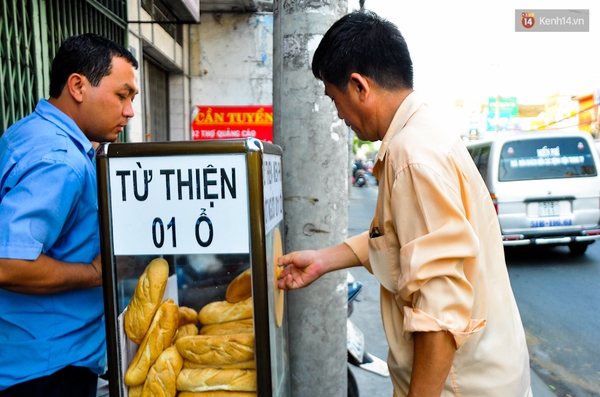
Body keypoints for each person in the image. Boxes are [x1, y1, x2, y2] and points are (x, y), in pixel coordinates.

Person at [277, 11, 532, 397]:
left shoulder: (410, 156)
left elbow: (439, 312)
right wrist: (324, 260)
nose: (339, 115)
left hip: (461, 386)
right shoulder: (424, 130)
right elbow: (399, 238)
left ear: (359, 86)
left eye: (335, 99)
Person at [0, 34, 138, 396]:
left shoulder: (27, 132)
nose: (129, 111)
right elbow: (8, 264)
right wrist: (94, 273)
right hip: (46, 369)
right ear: (77, 86)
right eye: (121, 96)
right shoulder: (60, 160)